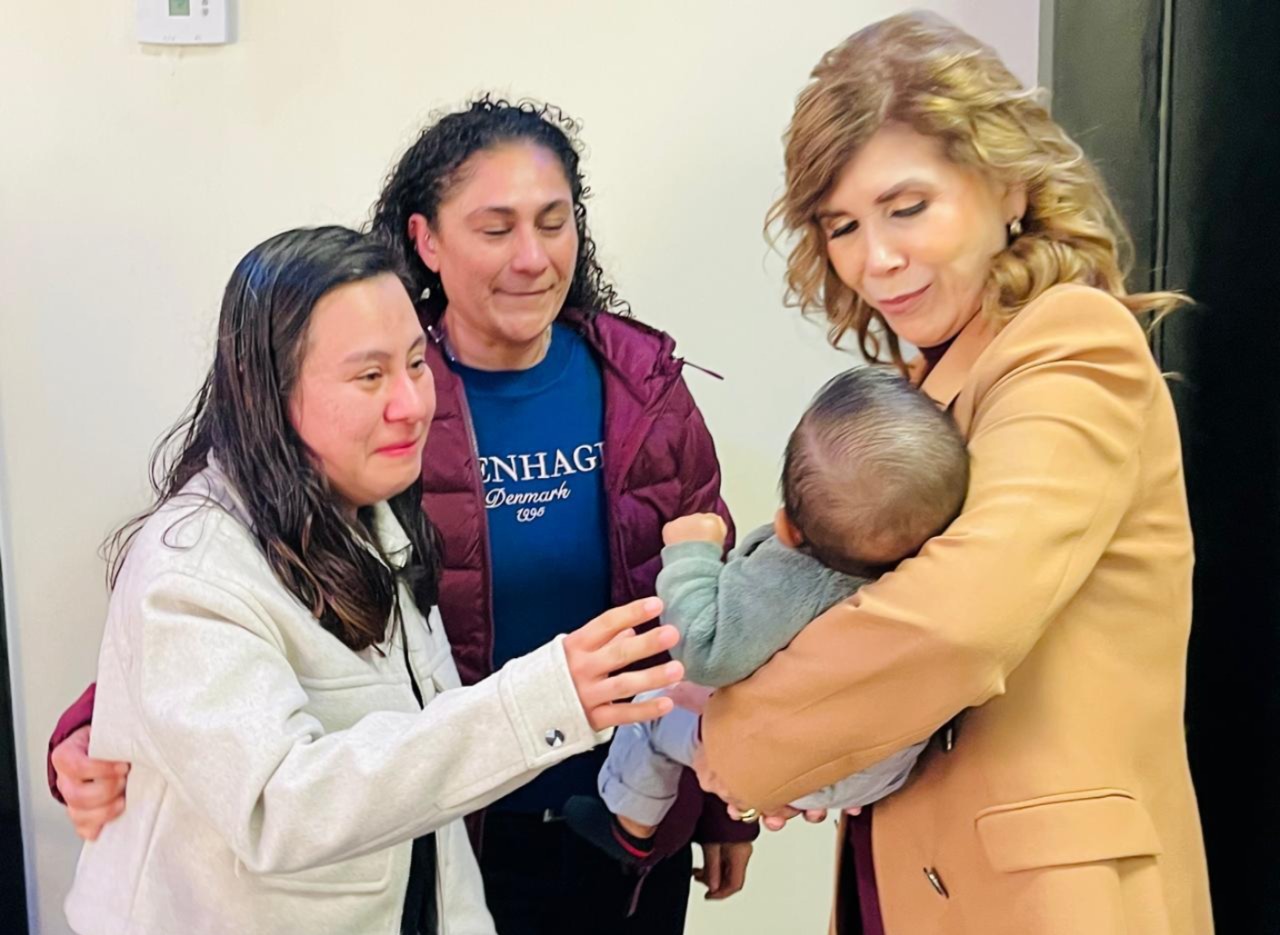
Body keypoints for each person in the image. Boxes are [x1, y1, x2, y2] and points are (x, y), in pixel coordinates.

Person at [49, 99, 756, 934]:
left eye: (552, 221)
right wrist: (104, 722)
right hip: (462, 816)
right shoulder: (363, 429)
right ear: (426, 240)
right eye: (495, 228)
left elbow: (710, 598)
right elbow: (221, 618)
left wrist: (723, 799)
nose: (532, 257)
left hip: (621, 814)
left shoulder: (639, 383)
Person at [695, 13, 1213, 935]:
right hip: (920, 878)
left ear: (1009, 182)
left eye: (907, 207)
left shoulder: (1070, 341)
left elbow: (957, 620)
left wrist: (738, 742)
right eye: (843, 225)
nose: (876, 259)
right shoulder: (933, 379)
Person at [563, 367, 968, 864]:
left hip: (802, 764)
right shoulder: (931, 568)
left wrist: (690, 555)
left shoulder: (792, 572)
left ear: (789, 529)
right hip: (884, 762)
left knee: (653, 707)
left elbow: (702, 653)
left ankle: (631, 825)